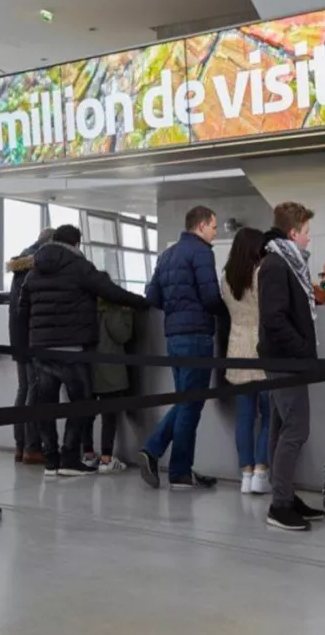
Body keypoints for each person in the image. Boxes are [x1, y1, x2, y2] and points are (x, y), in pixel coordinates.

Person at [19, 224, 148, 477]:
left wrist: (27, 345)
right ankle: (68, 457)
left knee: (46, 405)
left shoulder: (32, 274)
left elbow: (21, 311)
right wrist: (143, 302)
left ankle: (51, 460)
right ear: (77, 244)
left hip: (41, 349)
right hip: (72, 348)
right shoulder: (79, 267)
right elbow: (111, 292)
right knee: (82, 404)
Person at [138, 205, 224, 490]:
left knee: (187, 400)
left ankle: (177, 467)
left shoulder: (167, 255)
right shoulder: (201, 252)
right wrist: (226, 313)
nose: (215, 231)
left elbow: (152, 296)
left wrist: (177, 311)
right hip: (197, 335)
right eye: (213, 226)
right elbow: (211, 296)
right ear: (200, 226)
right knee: (191, 403)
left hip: (173, 336)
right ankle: (167, 461)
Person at [258, 202, 325, 531]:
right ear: (293, 232)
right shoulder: (276, 264)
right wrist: (301, 348)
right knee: (295, 431)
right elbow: (274, 318)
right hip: (285, 360)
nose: (308, 240)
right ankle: (280, 504)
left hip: (283, 359)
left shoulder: (283, 261)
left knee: (280, 429)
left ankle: (284, 495)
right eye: (307, 233)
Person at [220, 226, 272, 495]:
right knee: (269, 414)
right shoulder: (261, 273)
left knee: (244, 416)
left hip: (236, 348)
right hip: (260, 348)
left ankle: (245, 473)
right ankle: (261, 471)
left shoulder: (225, 278)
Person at [6, 228, 54, 466]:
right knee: (33, 390)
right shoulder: (38, 266)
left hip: (17, 338)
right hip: (32, 337)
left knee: (23, 389)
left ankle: (20, 445)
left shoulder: (20, 266)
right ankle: (33, 447)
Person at [87, 291, 135, 473]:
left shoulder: (87, 313)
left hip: (89, 369)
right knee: (109, 416)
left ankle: (88, 454)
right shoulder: (111, 312)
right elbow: (122, 335)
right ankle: (106, 458)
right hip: (110, 370)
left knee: (87, 414)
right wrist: (127, 313)